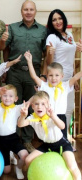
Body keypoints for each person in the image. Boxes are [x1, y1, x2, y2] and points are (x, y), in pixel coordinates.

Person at [0, 0, 47, 152]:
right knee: (11, 105)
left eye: (31, 9)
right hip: (15, 72)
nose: (28, 12)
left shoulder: (43, 30)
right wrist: (2, 41)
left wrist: (43, 75)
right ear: (21, 11)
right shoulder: (12, 28)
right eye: (26, 9)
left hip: (34, 73)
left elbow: (46, 55)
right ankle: (14, 140)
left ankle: (26, 141)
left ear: (35, 12)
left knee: (31, 106)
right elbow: (2, 48)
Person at [18, 91, 81, 180]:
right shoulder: (32, 118)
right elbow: (20, 124)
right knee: (28, 160)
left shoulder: (51, 116)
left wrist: (53, 116)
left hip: (61, 144)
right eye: (36, 104)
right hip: (47, 145)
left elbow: (62, 126)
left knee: (72, 167)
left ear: (48, 105)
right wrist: (22, 116)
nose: (39, 106)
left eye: (43, 104)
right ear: (32, 106)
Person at [25, 51, 82, 139]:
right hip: (47, 116)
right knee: (49, 138)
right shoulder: (44, 86)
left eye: (57, 75)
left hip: (60, 117)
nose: (54, 78)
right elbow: (34, 76)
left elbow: (75, 77)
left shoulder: (65, 86)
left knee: (62, 139)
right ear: (47, 75)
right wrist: (29, 61)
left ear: (62, 76)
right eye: (51, 75)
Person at [45, 9, 82, 140]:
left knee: (69, 109)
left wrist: (74, 78)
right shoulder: (52, 37)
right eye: (54, 20)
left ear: (64, 19)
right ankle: (57, 139)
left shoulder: (70, 35)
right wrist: (50, 54)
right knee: (58, 110)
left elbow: (71, 59)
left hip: (69, 78)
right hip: (57, 78)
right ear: (51, 23)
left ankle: (65, 139)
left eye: (59, 18)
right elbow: (49, 63)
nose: (58, 22)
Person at [0, 84, 29, 179]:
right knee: (7, 171)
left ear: (16, 98)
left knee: (24, 154)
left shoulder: (17, 108)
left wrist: (39, 90)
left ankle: (18, 168)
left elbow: (29, 102)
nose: (7, 98)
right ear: (1, 96)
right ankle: (10, 154)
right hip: (0, 141)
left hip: (13, 138)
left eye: (10, 96)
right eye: (4, 95)